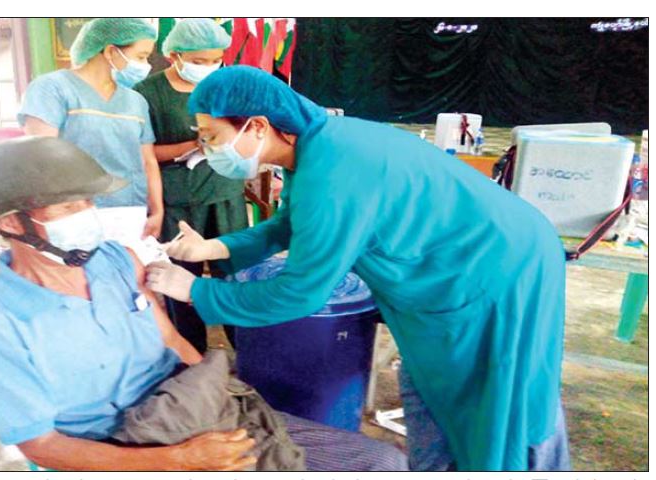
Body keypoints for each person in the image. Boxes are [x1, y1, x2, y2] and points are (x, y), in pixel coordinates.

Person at [146, 65, 572, 471]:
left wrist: (195, 291)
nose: (208, 150)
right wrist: (214, 247)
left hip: (494, 270)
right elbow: (292, 223)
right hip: (464, 260)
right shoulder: (315, 143)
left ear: (257, 126)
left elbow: (300, 292)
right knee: (440, 384)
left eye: (211, 137)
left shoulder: (333, 170)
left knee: (501, 397)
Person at [0, 136, 408, 471]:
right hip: (124, 446)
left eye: (88, 201)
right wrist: (178, 459)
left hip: (186, 406)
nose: (87, 214)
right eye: (67, 207)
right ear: (11, 223)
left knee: (381, 463)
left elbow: (171, 339)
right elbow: (42, 446)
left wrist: (222, 400)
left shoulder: (116, 261)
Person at [134, 19, 246, 353]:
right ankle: (190, 354)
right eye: (199, 61)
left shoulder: (226, 86)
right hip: (176, 201)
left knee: (235, 275)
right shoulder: (147, 93)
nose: (209, 67)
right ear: (175, 56)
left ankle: (245, 347)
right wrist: (192, 145)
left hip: (224, 195)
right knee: (179, 280)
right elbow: (142, 153)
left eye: (216, 60)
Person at [18, 18, 163, 240]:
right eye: (141, 56)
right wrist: (58, 212)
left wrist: (157, 210)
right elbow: (40, 158)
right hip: (73, 213)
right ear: (110, 51)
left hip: (129, 209)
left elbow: (148, 161)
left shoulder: (136, 101)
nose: (145, 65)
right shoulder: (52, 88)